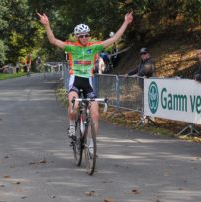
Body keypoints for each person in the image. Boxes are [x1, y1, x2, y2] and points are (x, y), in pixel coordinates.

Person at [37, 11, 133, 143]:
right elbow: (53, 41)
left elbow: (114, 38)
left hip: (88, 82)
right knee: (74, 106)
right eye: (81, 36)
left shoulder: (94, 47)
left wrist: (126, 22)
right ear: (77, 36)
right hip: (75, 79)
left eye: (86, 35)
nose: (84, 37)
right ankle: (72, 126)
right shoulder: (71, 47)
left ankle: (91, 144)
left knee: (95, 114)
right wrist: (47, 25)